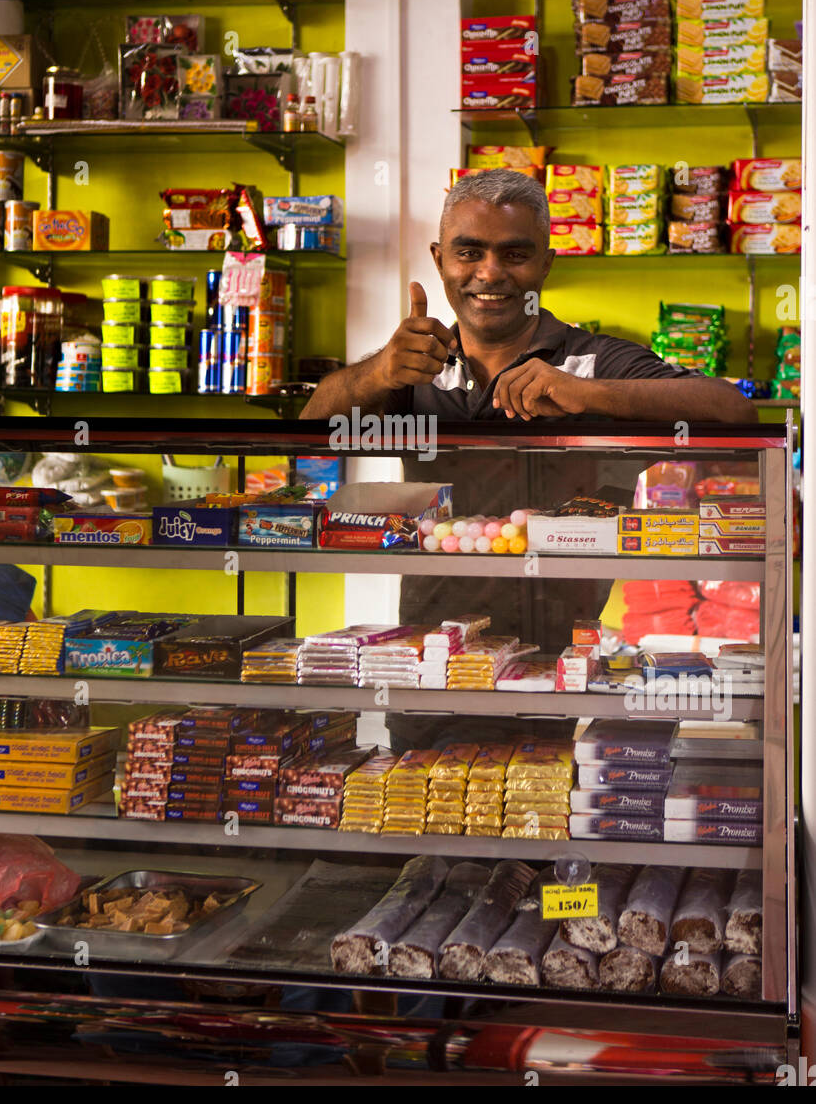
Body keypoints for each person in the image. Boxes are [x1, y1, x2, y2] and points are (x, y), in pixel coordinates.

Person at [302, 169, 756, 748]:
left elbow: (732, 414)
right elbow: (311, 434)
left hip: (564, 670)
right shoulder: (414, 368)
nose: (490, 273)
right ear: (441, 259)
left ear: (545, 264)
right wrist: (375, 372)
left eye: (514, 254)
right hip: (437, 660)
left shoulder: (593, 361)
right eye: (469, 252)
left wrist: (589, 396)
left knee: (546, 829)